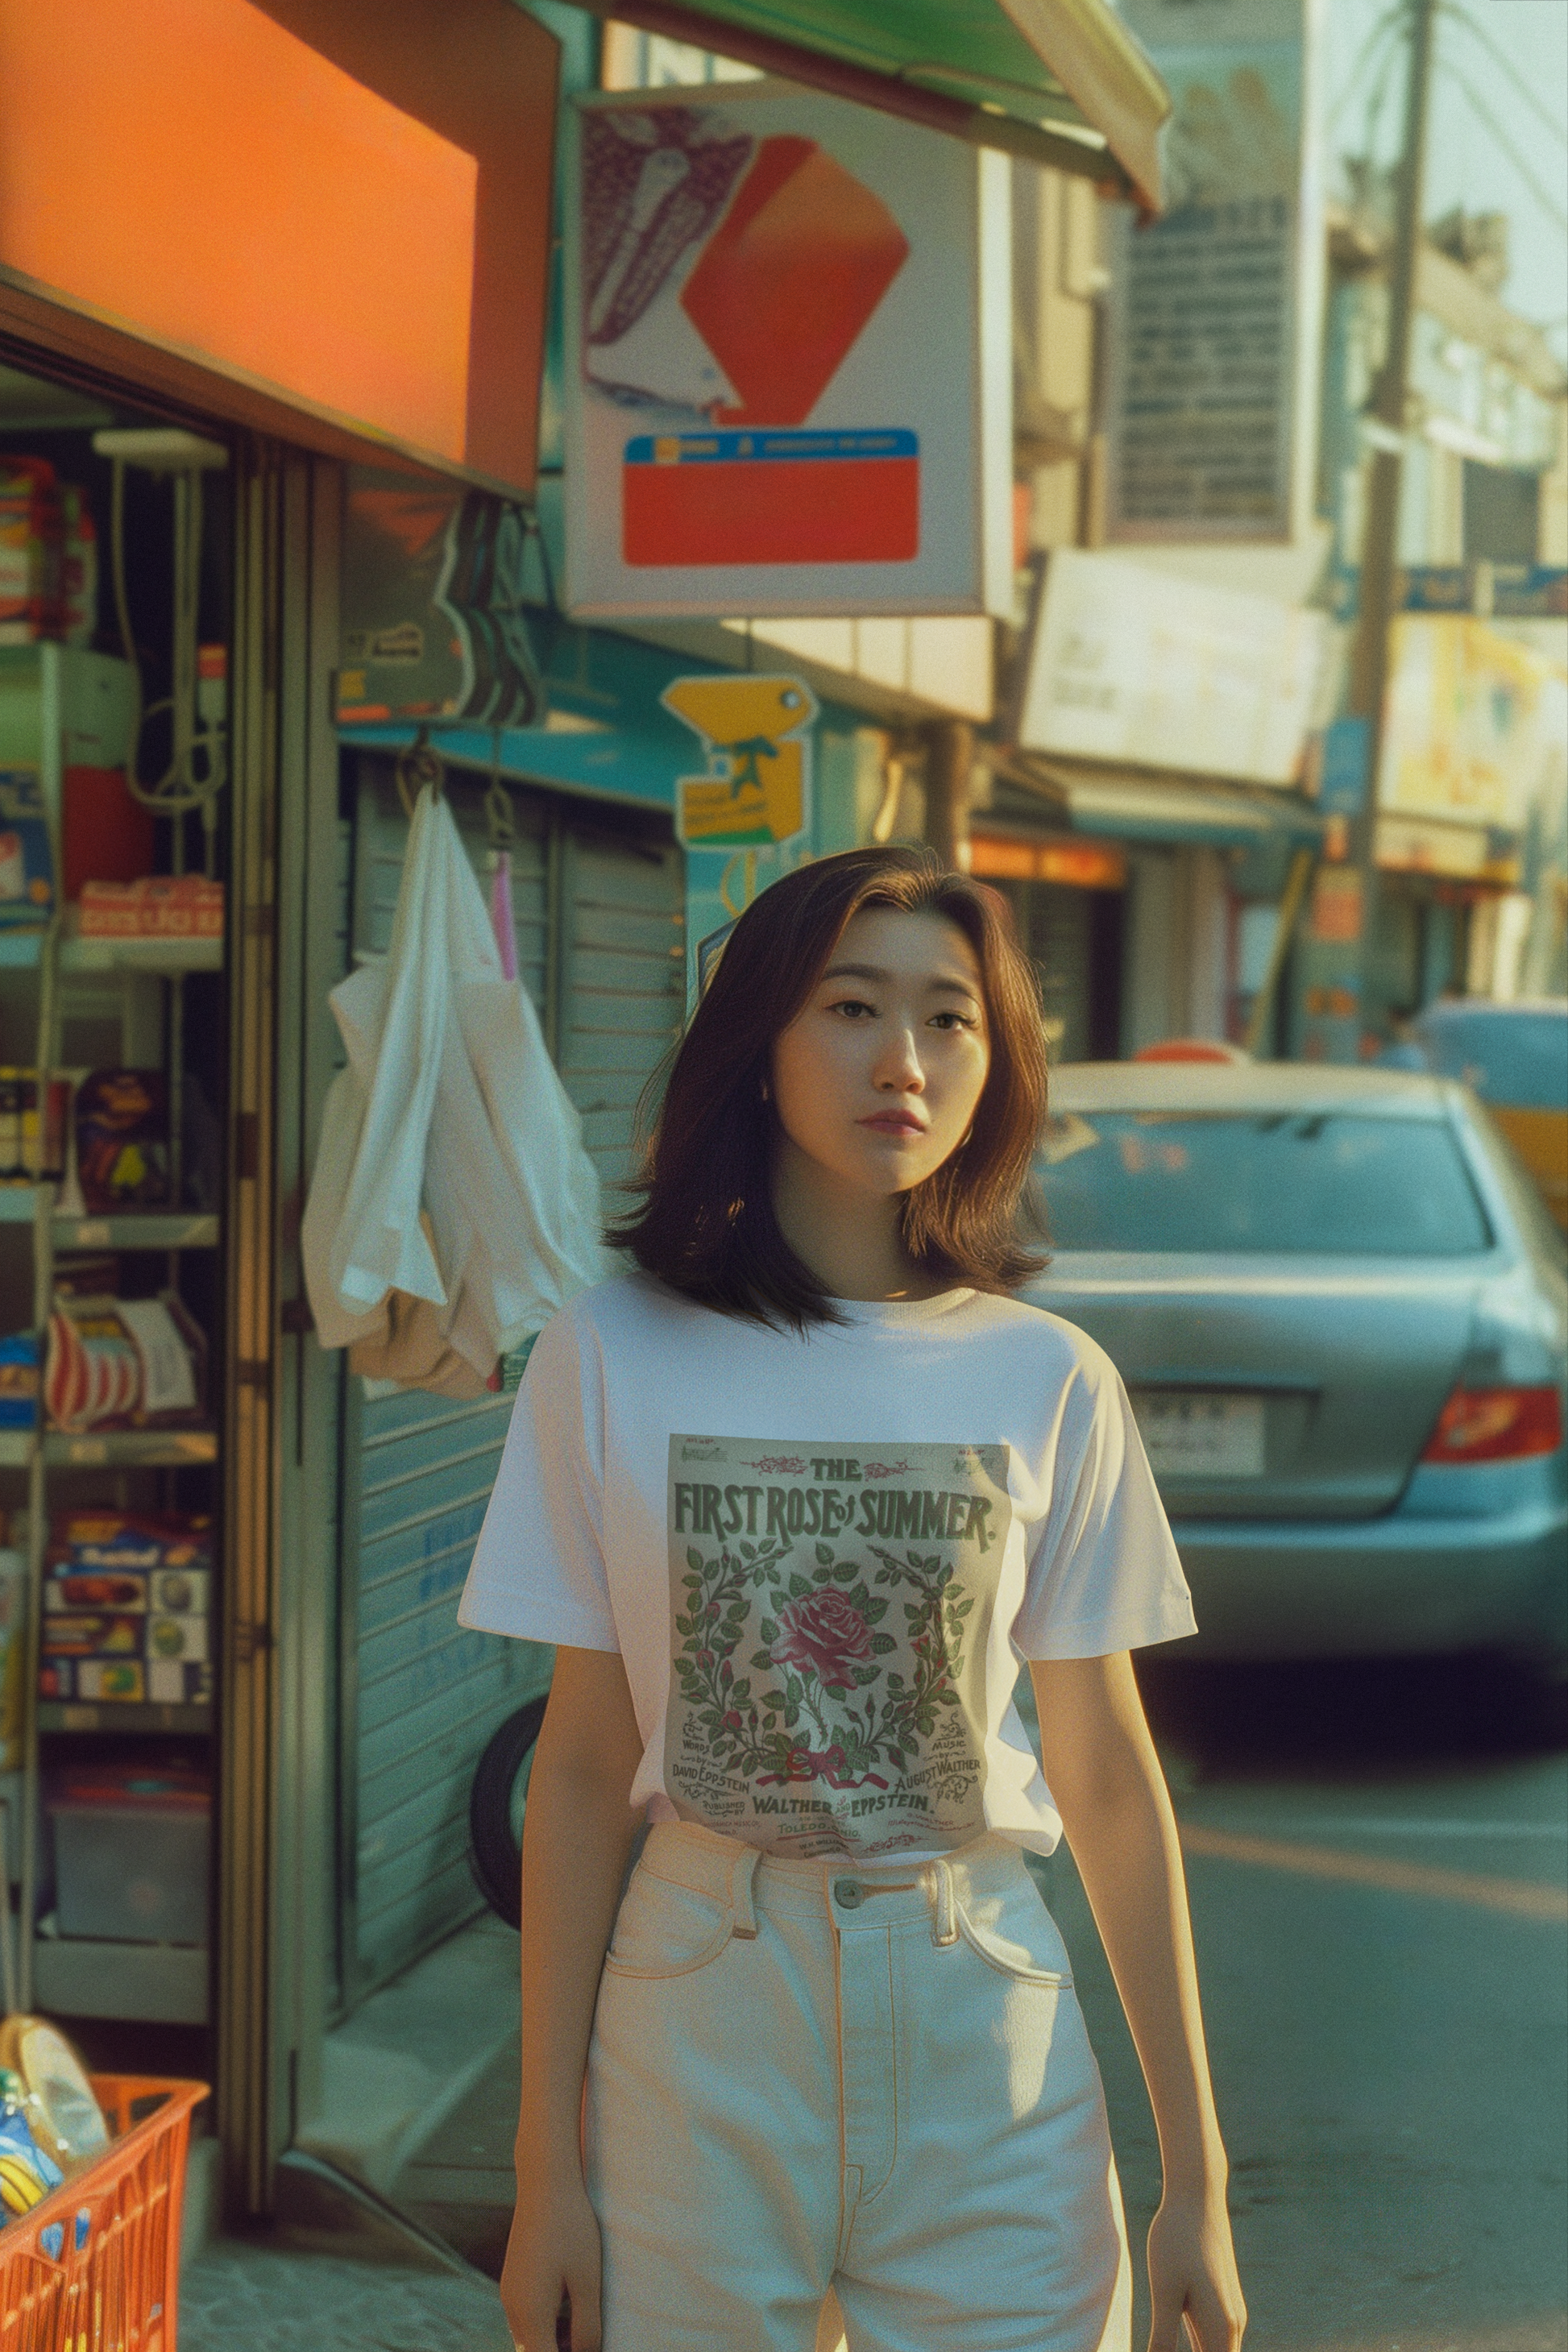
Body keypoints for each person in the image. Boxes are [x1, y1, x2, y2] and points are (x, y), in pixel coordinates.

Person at [460, 846, 1247, 2352]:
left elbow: (1105, 1775)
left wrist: (1192, 2175)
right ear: (757, 1046)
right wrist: (540, 2167)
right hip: (695, 2000)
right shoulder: (610, 1351)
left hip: (981, 2011)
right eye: (848, 1006)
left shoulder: (1046, 1374)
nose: (904, 1058)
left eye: (950, 1018)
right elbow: (573, 1767)